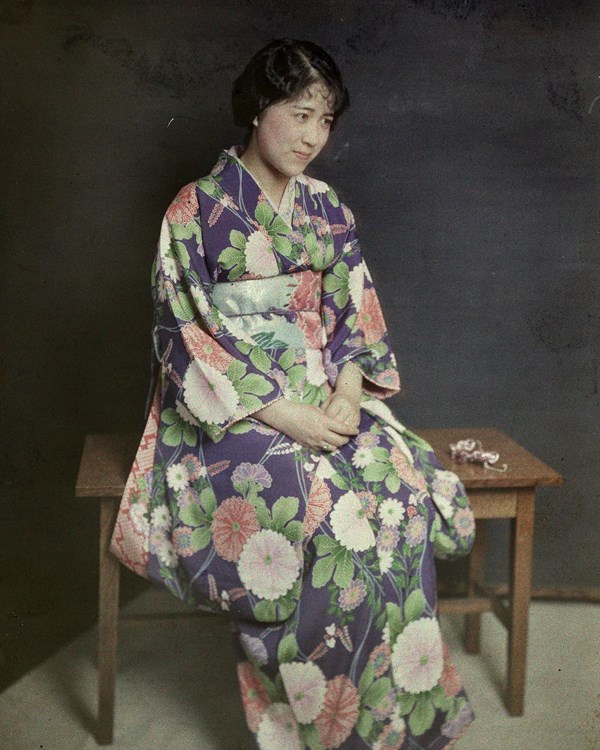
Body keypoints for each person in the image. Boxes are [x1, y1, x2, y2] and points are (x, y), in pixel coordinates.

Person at [111, 38, 476, 750]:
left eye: (326, 120)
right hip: (231, 410)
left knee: (397, 494)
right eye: (300, 113)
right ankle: (320, 727)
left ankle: (401, 723)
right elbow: (182, 334)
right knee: (322, 508)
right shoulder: (196, 210)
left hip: (322, 392)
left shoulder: (326, 208)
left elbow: (351, 315)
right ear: (258, 111)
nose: (313, 136)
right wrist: (287, 416)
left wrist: (344, 392)